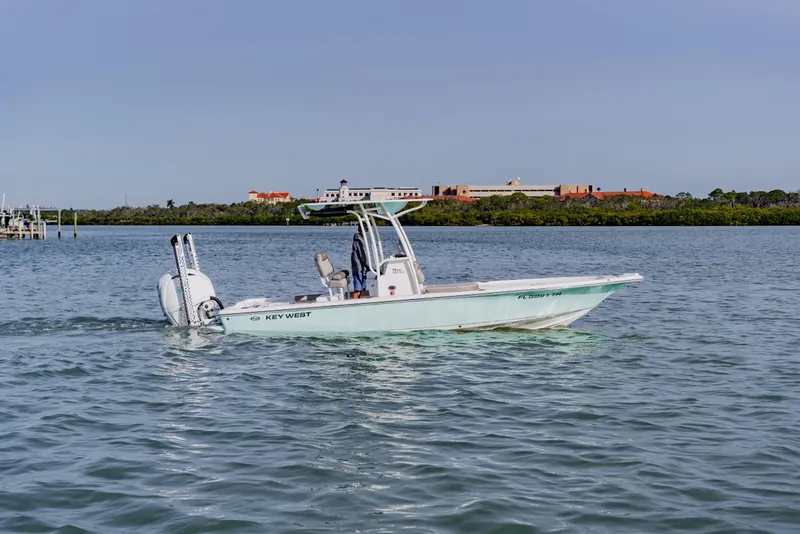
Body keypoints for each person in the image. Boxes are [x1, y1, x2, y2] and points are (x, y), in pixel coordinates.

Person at [351, 226, 369, 299]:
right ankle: (353, 304)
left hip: (362, 268)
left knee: (361, 289)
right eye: (363, 231)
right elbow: (362, 256)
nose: (365, 233)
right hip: (358, 268)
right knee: (357, 290)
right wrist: (368, 266)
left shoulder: (361, 240)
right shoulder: (358, 241)